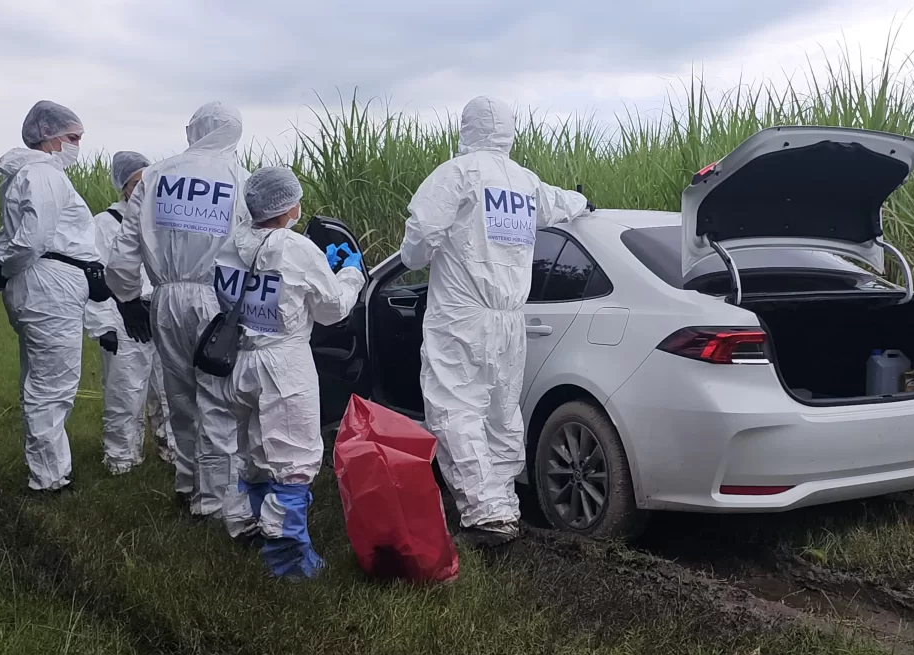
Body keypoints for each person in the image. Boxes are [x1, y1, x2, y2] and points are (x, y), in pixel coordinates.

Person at [401, 95, 591, 547]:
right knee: (501, 414)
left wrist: (417, 254)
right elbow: (560, 203)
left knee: (455, 409)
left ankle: (486, 515)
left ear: (465, 128)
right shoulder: (524, 182)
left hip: (461, 315)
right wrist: (584, 201)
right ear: (508, 131)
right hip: (510, 320)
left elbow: (419, 241)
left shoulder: (457, 174)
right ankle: (503, 504)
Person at [105, 102, 252, 520]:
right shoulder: (241, 180)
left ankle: (187, 484)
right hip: (219, 301)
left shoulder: (155, 176)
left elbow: (124, 251)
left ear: (195, 130)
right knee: (218, 399)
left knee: (180, 397)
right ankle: (216, 499)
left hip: (165, 298)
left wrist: (128, 299)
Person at [217, 166, 365, 577]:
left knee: (254, 451)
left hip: (243, 361)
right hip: (284, 366)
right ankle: (288, 557)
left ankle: (247, 524)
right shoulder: (297, 248)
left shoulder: (230, 245)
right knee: (294, 459)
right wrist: (350, 273)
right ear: (288, 207)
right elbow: (333, 310)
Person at [0, 101, 97, 492]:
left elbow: (10, 235)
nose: (76, 145)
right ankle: (49, 478)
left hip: (39, 283)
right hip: (49, 285)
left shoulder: (24, 175)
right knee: (52, 386)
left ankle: (47, 468)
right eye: (72, 137)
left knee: (40, 380)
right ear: (49, 137)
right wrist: (7, 267)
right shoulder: (43, 174)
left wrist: (5, 267)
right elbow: (32, 239)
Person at [84, 151, 177, 474]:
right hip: (122, 317)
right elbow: (95, 277)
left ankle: (171, 449)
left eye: (149, 181)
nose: (143, 188)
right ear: (123, 186)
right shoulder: (103, 224)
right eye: (137, 182)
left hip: (159, 314)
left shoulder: (163, 221)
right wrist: (104, 324)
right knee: (125, 390)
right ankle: (121, 457)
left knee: (167, 389)